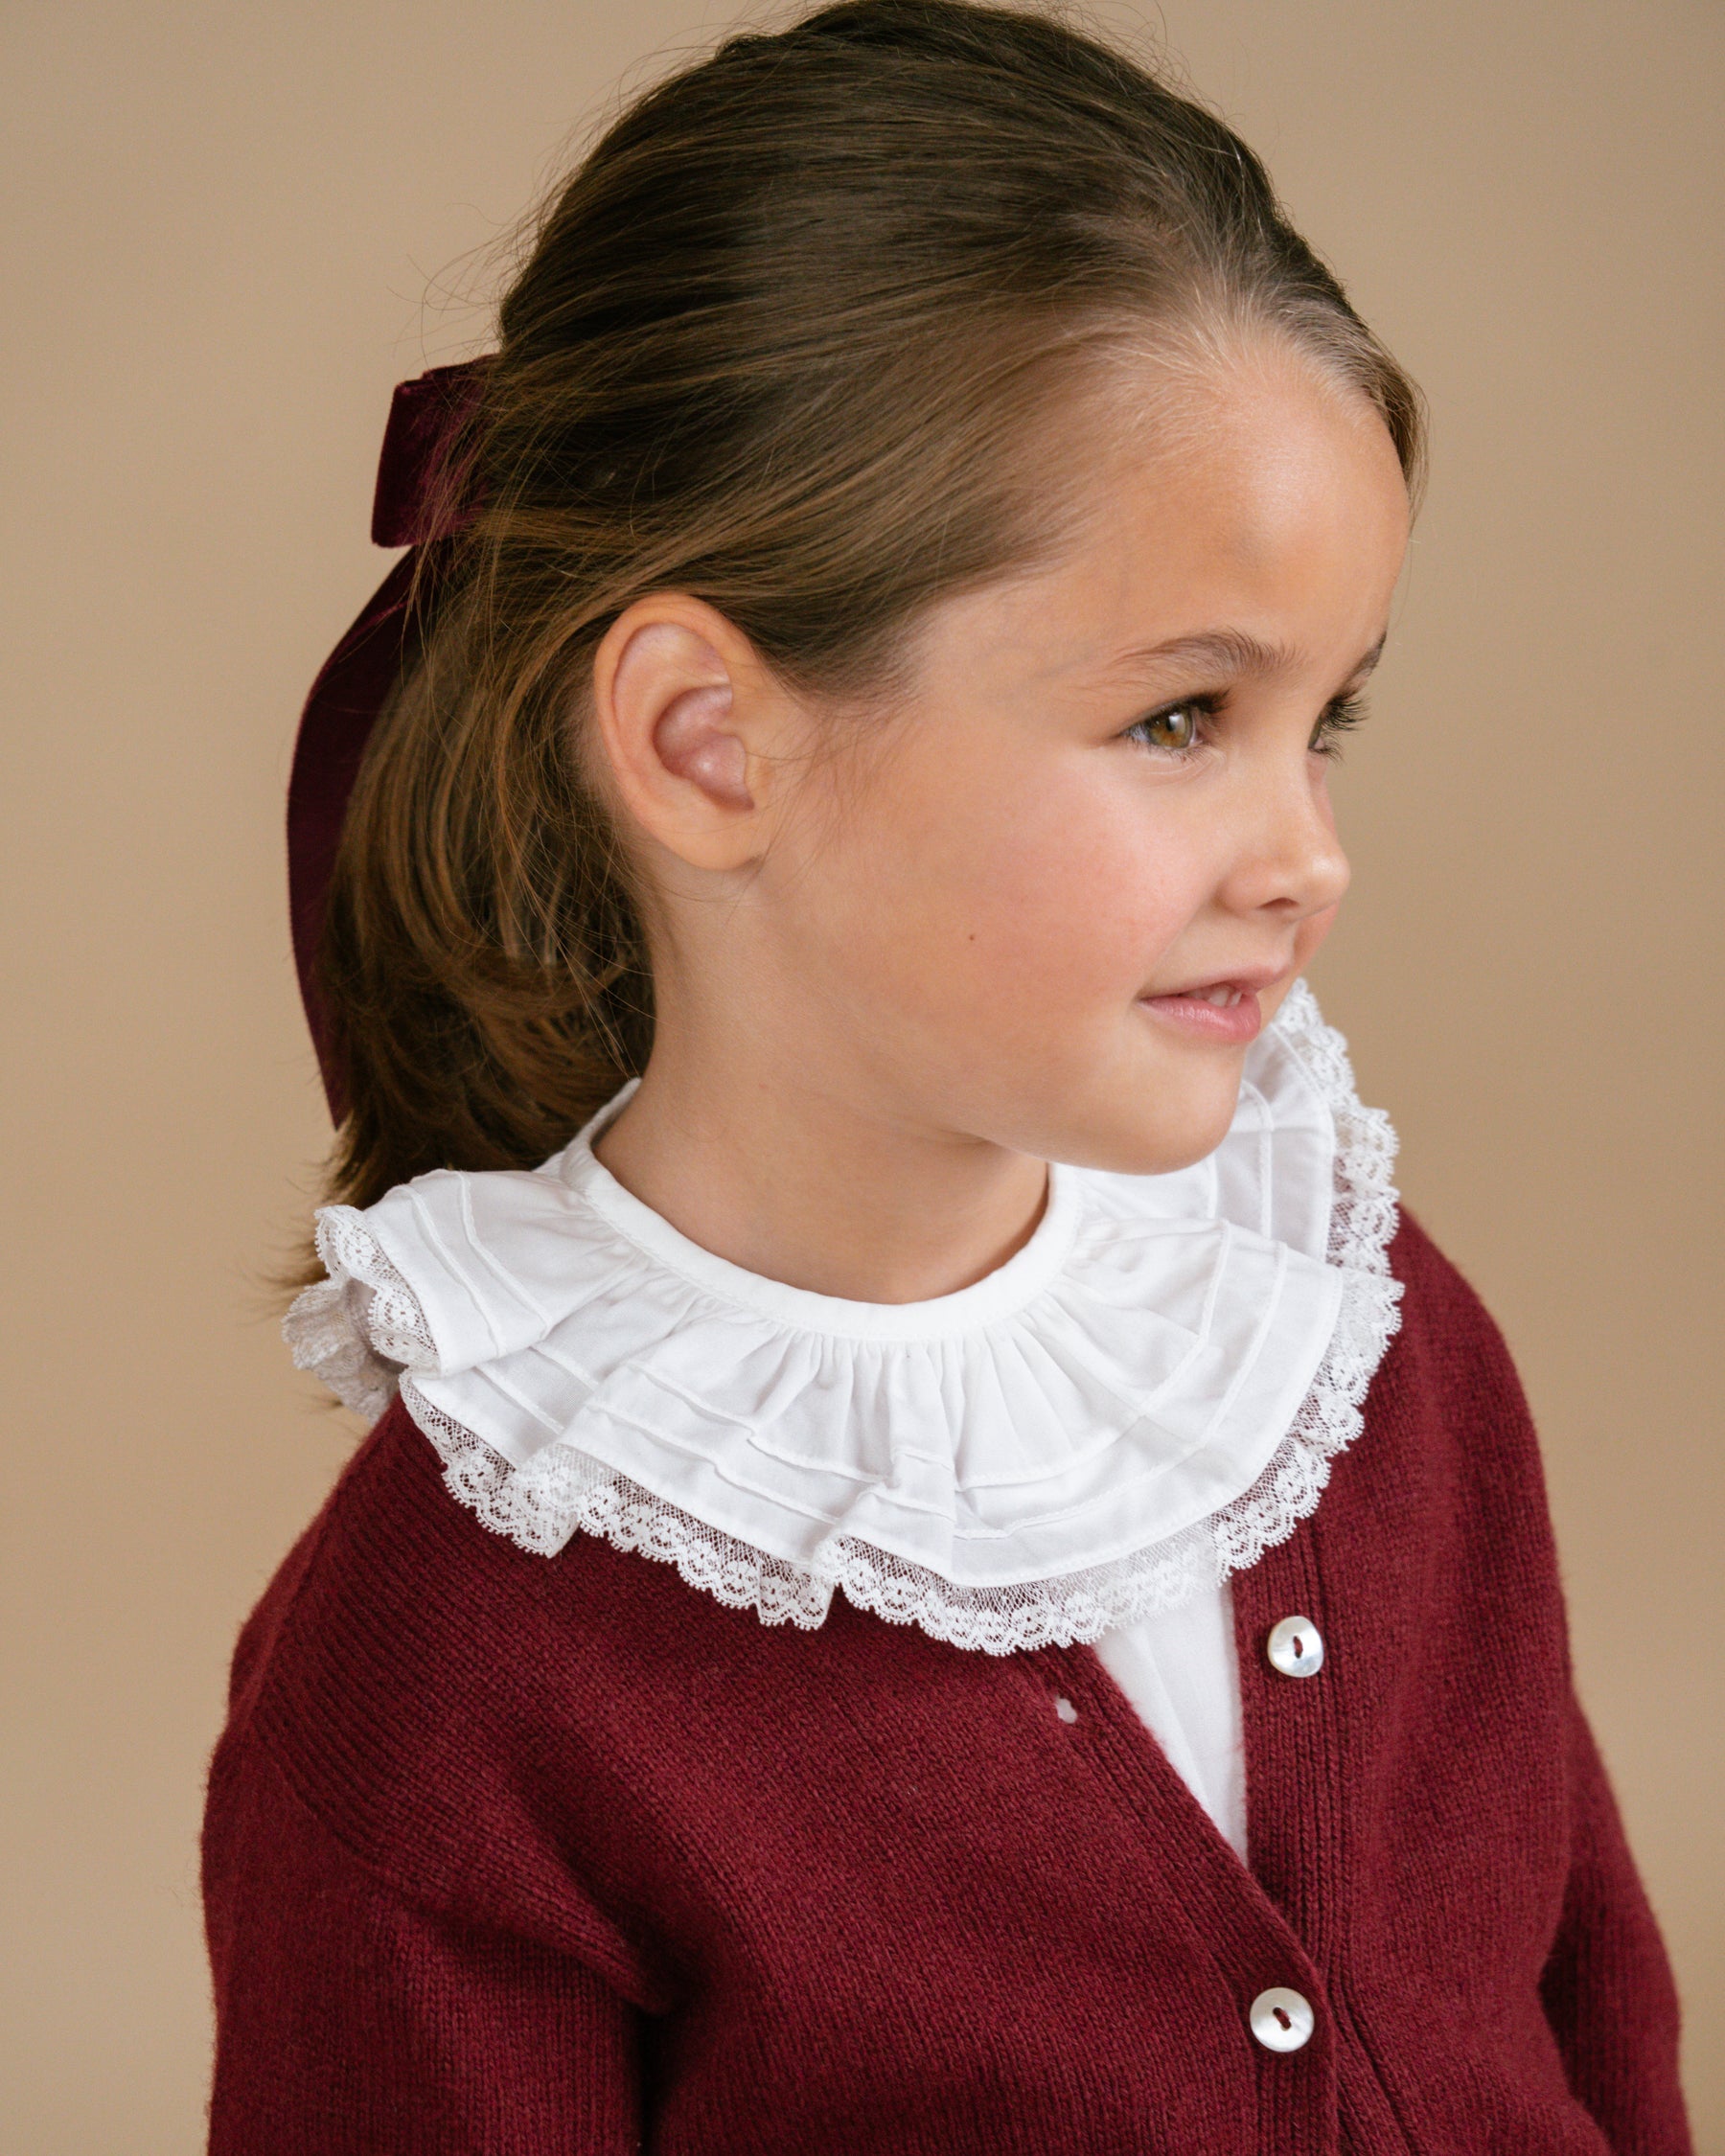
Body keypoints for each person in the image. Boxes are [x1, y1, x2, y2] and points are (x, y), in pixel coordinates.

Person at [199, 4, 1692, 2148]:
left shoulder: (1353, 1345)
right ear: (714, 745)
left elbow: (1595, 2027)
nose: (1311, 859)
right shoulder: (441, 1677)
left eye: (1323, 720)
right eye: (1183, 717)